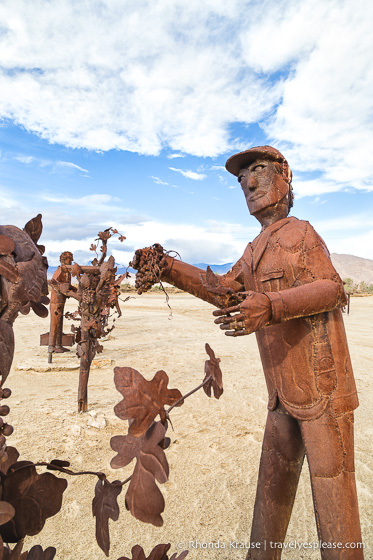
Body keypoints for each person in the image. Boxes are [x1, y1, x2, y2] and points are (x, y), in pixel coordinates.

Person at [133, 146, 364, 559]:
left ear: (284, 176)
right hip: (282, 397)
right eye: (242, 179)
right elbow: (225, 290)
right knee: (269, 499)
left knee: (336, 512)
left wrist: (272, 307)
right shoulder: (254, 249)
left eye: (258, 171)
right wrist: (166, 267)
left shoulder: (301, 234)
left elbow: (332, 289)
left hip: (322, 393)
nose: (249, 183)